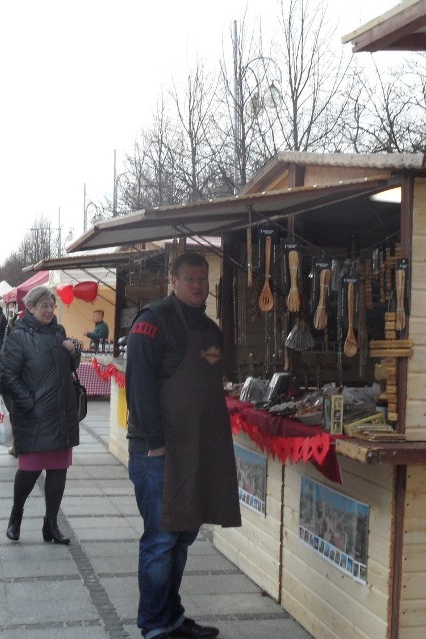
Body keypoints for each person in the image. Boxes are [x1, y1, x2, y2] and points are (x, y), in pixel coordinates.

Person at [125, 252, 241, 639]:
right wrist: (154, 442)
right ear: (173, 281)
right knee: (161, 539)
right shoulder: (151, 323)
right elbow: (138, 385)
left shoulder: (210, 328)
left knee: (183, 536)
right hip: (156, 452)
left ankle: (172, 617)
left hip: (196, 451)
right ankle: (154, 626)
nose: (198, 286)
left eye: (203, 280)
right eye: (190, 279)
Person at [0, 285, 81, 545]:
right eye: (43, 305)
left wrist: (73, 354)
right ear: (30, 307)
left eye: (51, 306)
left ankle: (51, 525)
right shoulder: (18, 336)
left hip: (61, 413)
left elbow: (68, 368)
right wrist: (30, 403)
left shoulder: (59, 333)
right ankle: (16, 515)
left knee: (58, 471)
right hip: (34, 416)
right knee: (29, 470)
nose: (48, 310)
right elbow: (7, 377)